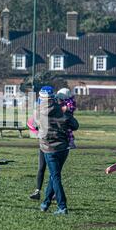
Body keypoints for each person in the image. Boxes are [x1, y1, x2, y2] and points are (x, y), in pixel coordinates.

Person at [34, 86, 79, 215]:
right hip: (63, 148)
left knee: (55, 176)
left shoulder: (38, 111)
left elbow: (35, 124)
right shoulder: (62, 110)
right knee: (54, 175)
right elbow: (75, 126)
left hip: (48, 148)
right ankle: (45, 203)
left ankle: (62, 206)